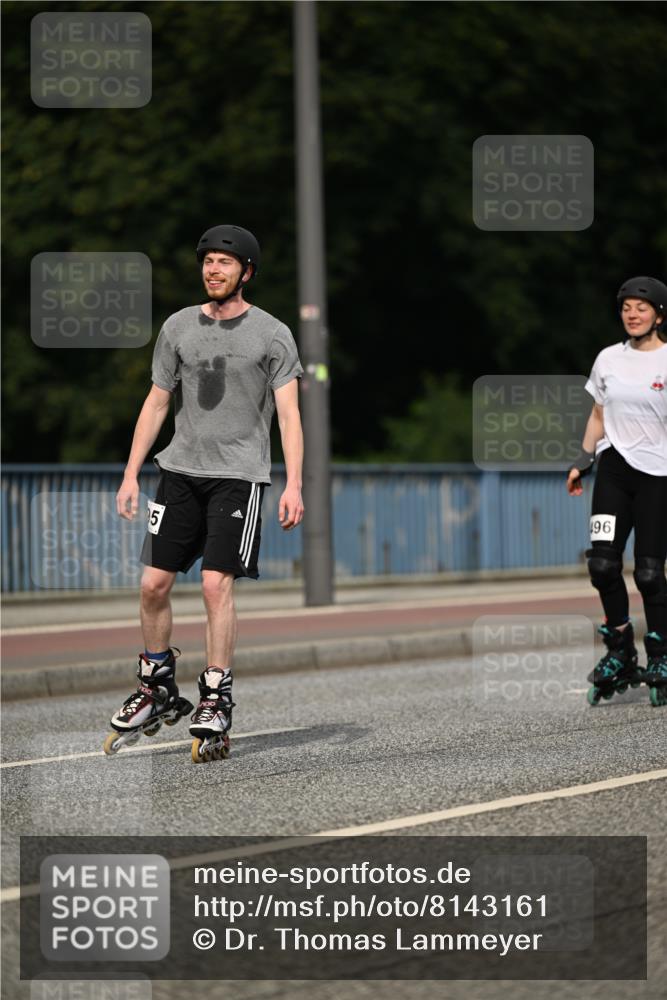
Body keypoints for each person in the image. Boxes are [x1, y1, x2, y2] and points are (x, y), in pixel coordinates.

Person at [108, 224, 304, 760]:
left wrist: (294, 483)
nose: (214, 270)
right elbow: (155, 403)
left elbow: (289, 415)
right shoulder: (177, 328)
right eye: (208, 261)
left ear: (247, 272)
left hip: (239, 476)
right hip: (179, 472)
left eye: (225, 262)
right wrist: (131, 473)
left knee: (216, 585)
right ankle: (156, 685)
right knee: (152, 584)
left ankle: (215, 696)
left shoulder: (272, 334)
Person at [567, 276, 667, 706]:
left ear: (659, 315)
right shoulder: (608, 359)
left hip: (658, 477)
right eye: (626, 307)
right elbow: (597, 414)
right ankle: (620, 650)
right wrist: (583, 459)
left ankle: (661, 656)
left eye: (641, 308)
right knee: (603, 565)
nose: (632, 314)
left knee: (648, 573)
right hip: (614, 470)